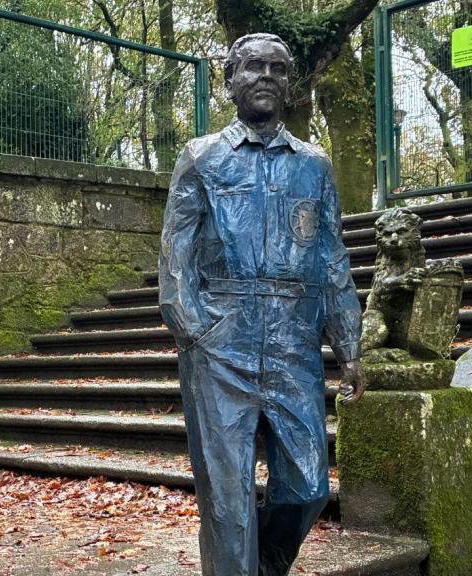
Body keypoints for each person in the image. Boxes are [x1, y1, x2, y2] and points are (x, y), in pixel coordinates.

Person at [158, 33, 366, 576]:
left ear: (289, 83)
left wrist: (349, 342)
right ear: (230, 82)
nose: (267, 75)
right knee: (227, 504)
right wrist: (196, 332)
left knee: (307, 484)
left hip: (294, 339)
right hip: (221, 340)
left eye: (278, 67)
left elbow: (332, 258)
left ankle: (265, 566)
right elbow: (175, 259)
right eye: (253, 67)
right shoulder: (201, 158)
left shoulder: (314, 166)